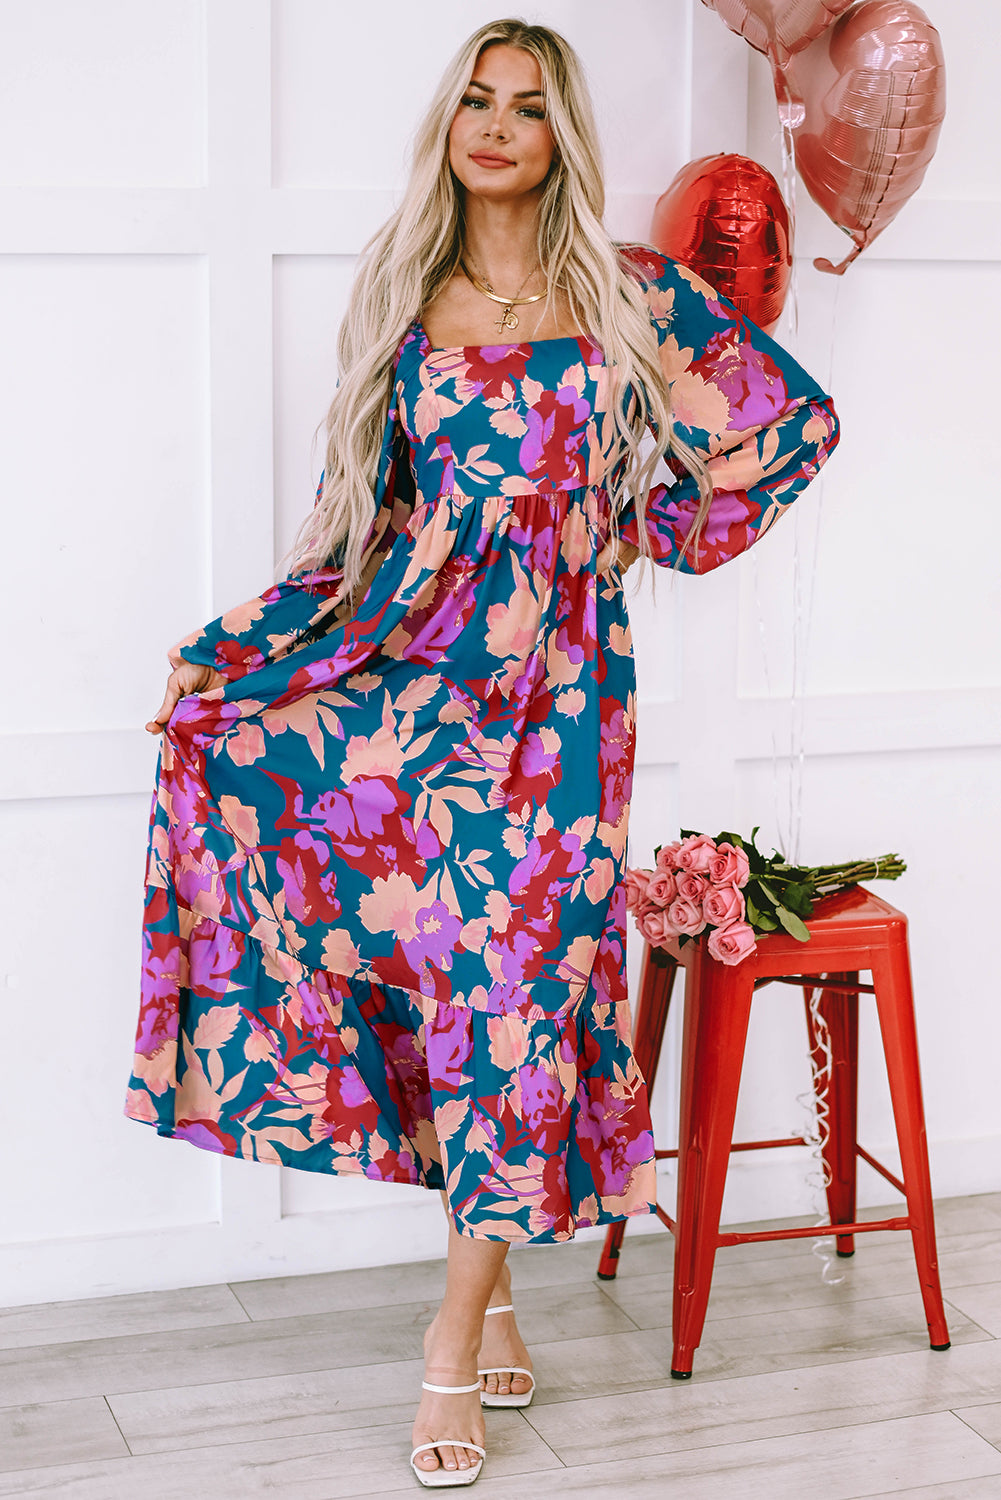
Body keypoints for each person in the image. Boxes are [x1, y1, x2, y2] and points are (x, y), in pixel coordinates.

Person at [127, 18, 839, 1488]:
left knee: (515, 1004)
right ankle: (493, 1288)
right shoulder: (408, 300)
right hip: (412, 692)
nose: (497, 126)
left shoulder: (631, 295)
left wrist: (639, 528)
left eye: (525, 105)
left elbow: (790, 425)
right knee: (446, 995)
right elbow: (356, 534)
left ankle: (448, 1343)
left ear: (559, 133)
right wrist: (235, 657)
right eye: (476, 101)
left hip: (562, 712)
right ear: (449, 127)